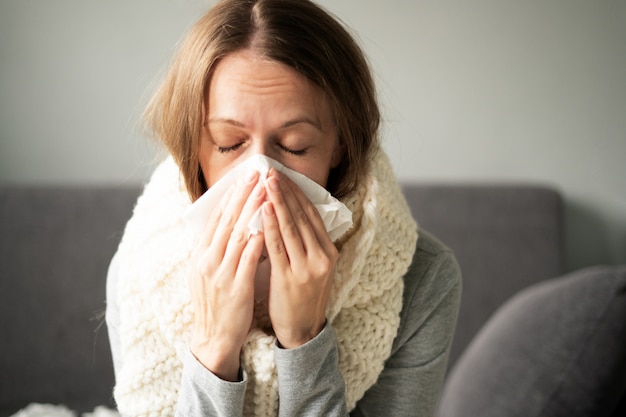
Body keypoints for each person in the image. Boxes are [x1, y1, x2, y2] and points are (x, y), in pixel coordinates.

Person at [105, 0, 462, 416]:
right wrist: (213, 350)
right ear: (192, 147)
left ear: (340, 146)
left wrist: (306, 342)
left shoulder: (420, 279)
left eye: (294, 146)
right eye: (228, 143)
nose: (260, 175)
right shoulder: (141, 268)